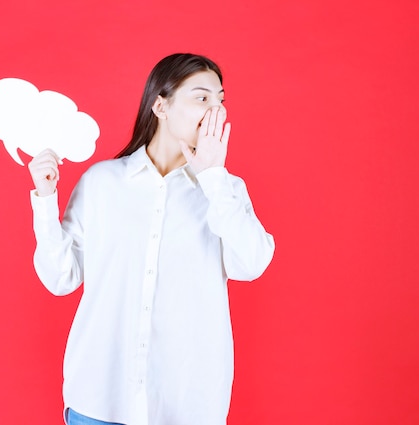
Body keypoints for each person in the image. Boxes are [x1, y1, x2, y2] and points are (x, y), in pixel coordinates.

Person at [28, 53, 275, 425]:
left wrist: (213, 177)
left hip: (188, 406)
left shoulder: (224, 190)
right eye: (202, 98)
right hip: (99, 400)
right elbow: (60, 278)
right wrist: (45, 200)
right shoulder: (102, 182)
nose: (216, 111)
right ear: (161, 105)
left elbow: (253, 263)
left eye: (221, 100)